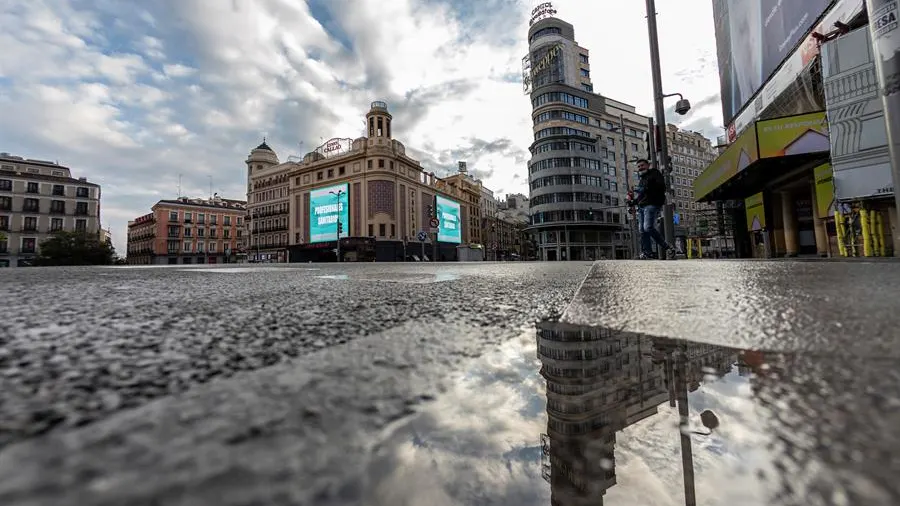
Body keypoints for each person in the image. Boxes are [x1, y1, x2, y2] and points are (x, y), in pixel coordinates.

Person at [633, 158, 676, 260]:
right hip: (642, 206)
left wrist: (649, 186)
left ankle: (668, 247)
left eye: (642, 165)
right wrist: (633, 202)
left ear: (648, 165)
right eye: (638, 167)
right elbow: (641, 195)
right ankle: (647, 253)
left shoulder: (654, 173)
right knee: (642, 230)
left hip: (652, 204)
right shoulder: (642, 179)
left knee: (648, 227)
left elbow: (661, 186)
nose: (640, 168)